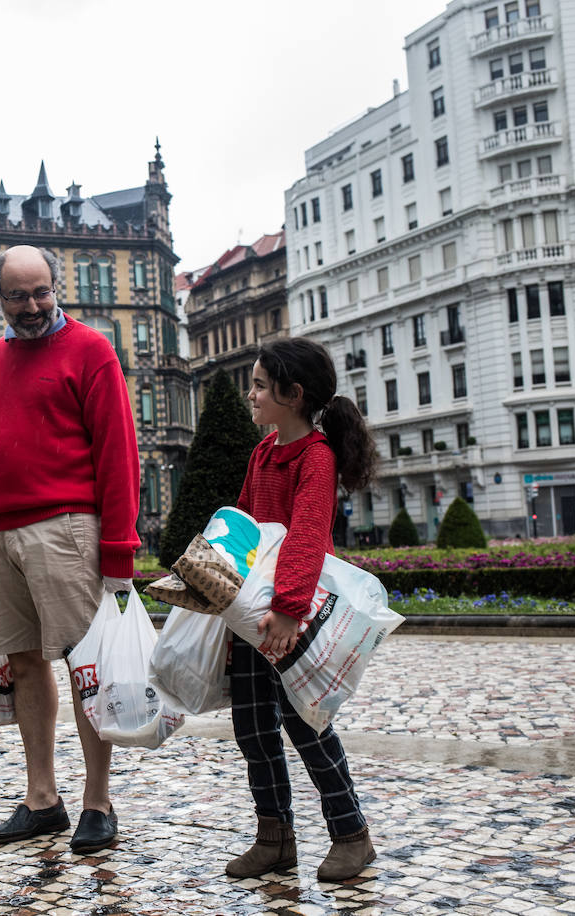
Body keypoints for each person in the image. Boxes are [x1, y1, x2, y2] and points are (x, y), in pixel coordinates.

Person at [0, 245, 140, 855]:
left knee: (84, 665)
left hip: (67, 528)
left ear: (56, 287)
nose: (33, 306)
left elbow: (118, 454)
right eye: (19, 296)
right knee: (23, 665)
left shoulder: (91, 351)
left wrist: (119, 549)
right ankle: (42, 799)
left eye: (42, 292)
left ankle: (97, 800)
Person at [225, 336, 380, 882]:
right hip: (250, 615)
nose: (252, 394)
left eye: (261, 386)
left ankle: (351, 835)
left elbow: (307, 537)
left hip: (295, 616)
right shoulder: (263, 452)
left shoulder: (316, 457)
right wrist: (215, 581)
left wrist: (289, 611)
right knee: (253, 729)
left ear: (293, 395)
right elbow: (242, 525)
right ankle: (275, 838)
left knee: (307, 725)